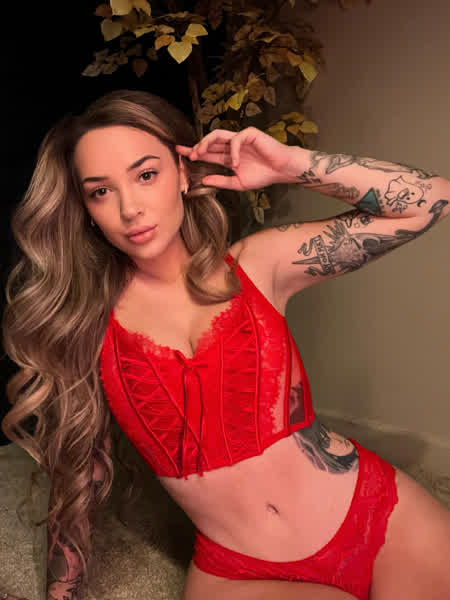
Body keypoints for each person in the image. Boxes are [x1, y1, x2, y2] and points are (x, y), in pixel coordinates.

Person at [1, 89, 449, 600]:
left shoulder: (257, 265)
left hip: (375, 513)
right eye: (101, 191)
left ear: (181, 171)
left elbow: (430, 200)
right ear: (85, 209)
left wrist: (289, 164)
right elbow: (79, 477)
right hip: (240, 572)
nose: (130, 208)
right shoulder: (87, 328)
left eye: (146, 175)